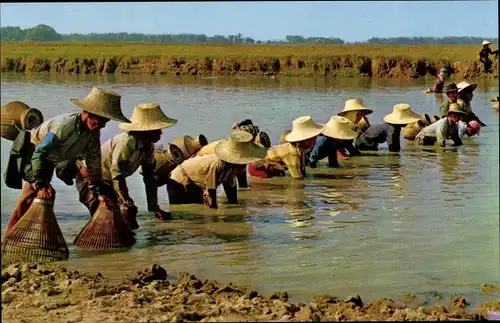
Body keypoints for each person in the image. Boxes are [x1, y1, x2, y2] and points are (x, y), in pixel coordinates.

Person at [5, 87, 130, 233]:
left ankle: (25, 232)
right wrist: (40, 182)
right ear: (89, 113)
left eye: (106, 122)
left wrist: (97, 189)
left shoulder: (92, 133)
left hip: (53, 157)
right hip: (34, 152)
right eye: (101, 120)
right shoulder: (65, 126)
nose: (103, 125)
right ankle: (8, 236)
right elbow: (40, 152)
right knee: (31, 195)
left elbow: (93, 161)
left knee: (45, 197)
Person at [75, 103, 176, 229]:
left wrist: (154, 207)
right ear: (146, 130)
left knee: (122, 218)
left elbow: (150, 177)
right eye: (157, 130)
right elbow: (117, 175)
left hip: (109, 182)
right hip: (90, 180)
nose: (161, 133)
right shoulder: (126, 143)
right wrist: (126, 201)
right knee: (106, 219)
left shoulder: (148, 146)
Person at [167, 131, 267, 209]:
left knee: (197, 211)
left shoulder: (230, 169)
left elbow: (232, 196)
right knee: (185, 213)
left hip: (194, 180)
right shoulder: (219, 165)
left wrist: (239, 209)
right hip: (178, 179)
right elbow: (211, 192)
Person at [196, 119, 271, 187]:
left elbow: (242, 183)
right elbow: (221, 183)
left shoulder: (240, 156)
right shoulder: (226, 154)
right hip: (199, 169)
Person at [249, 116, 325, 180]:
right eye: (313, 138)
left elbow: (302, 170)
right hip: (258, 167)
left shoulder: (300, 148)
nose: (315, 140)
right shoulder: (291, 154)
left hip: (270, 162)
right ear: (305, 141)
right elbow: (298, 180)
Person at [355, 103, 421, 152]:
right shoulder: (391, 129)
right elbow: (392, 148)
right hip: (362, 142)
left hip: (367, 141)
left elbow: (396, 145)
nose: (407, 123)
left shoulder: (396, 128)